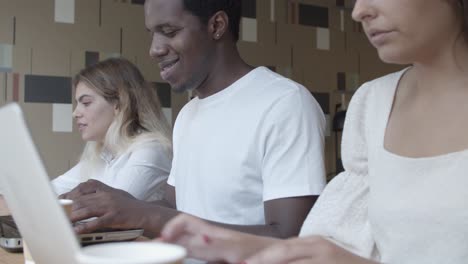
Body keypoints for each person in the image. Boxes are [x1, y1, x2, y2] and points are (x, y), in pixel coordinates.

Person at [159, 0, 468, 263]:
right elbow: (335, 245)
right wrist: (242, 246)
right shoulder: (372, 103)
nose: (359, 11)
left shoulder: (283, 102)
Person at [61, 0, 326, 241]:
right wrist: (121, 204)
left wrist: (144, 214)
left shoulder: (285, 103)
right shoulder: (189, 113)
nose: (154, 49)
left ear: (217, 25)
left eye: (170, 31)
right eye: (152, 33)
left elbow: (290, 238)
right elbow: (177, 209)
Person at [52, 58, 172, 202]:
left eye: (86, 103)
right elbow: (48, 191)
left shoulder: (152, 150)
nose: (75, 113)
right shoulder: (103, 155)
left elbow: (109, 210)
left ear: (119, 104)